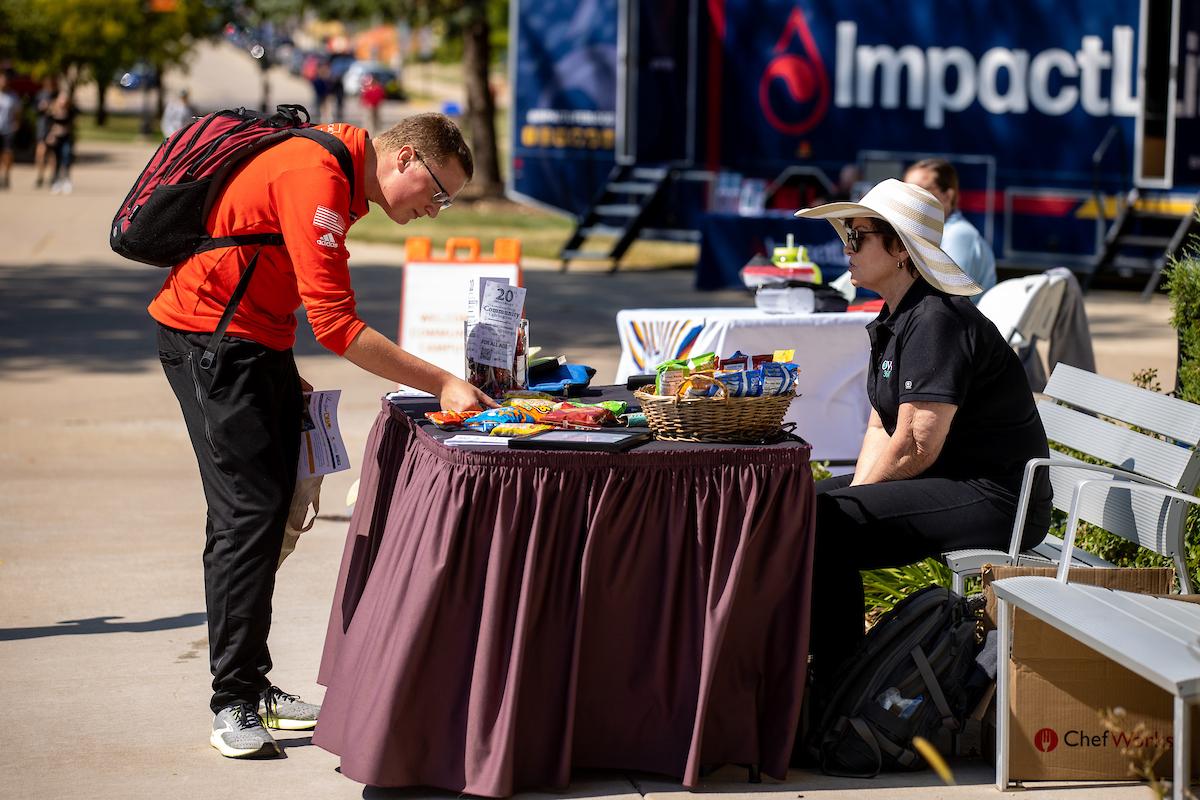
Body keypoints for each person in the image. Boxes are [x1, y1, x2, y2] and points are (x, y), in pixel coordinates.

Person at [148, 112, 497, 760]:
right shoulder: (319, 172)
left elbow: (268, 265)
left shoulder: (337, 167)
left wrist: (284, 366)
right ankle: (232, 703)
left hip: (253, 343)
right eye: (438, 193)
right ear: (405, 160)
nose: (434, 211)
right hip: (212, 343)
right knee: (246, 517)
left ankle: (251, 687)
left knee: (267, 509)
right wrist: (443, 381)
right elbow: (337, 324)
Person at [791, 178, 1052, 717]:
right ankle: (823, 675)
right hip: (955, 481)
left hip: (999, 498)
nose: (846, 248)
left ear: (901, 250)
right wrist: (859, 491)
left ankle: (837, 692)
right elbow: (881, 427)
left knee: (830, 523)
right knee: (803, 509)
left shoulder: (936, 319)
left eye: (858, 236)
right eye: (846, 234)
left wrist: (854, 503)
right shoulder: (896, 317)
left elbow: (915, 444)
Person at [904, 158, 996, 300]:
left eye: (921, 190)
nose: (911, 198)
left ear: (948, 196)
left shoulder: (958, 235)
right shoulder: (936, 233)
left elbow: (945, 299)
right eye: (907, 190)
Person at [44, 91, 75, 195]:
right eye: (61, 99)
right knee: (56, 160)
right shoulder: (52, 111)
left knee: (66, 157)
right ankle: (56, 182)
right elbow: (47, 124)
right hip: (55, 138)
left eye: (65, 99)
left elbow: (71, 125)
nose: (63, 102)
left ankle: (66, 180)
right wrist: (50, 135)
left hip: (66, 138)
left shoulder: (70, 111)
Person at [33, 76, 58, 188]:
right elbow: (35, 109)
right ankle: (40, 175)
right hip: (42, 128)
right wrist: (41, 107)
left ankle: (53, 177)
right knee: (40, 153)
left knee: (52, 154)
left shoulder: (57, 95)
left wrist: (52, 108)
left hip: (53, 128)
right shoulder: (40, 95)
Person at [0, 71, 19, 190]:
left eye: (5, 80)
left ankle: (6, 176)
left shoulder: (13, 96)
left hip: (8, 129)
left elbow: (17, 113)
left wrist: (16, 125)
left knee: (8, 153)